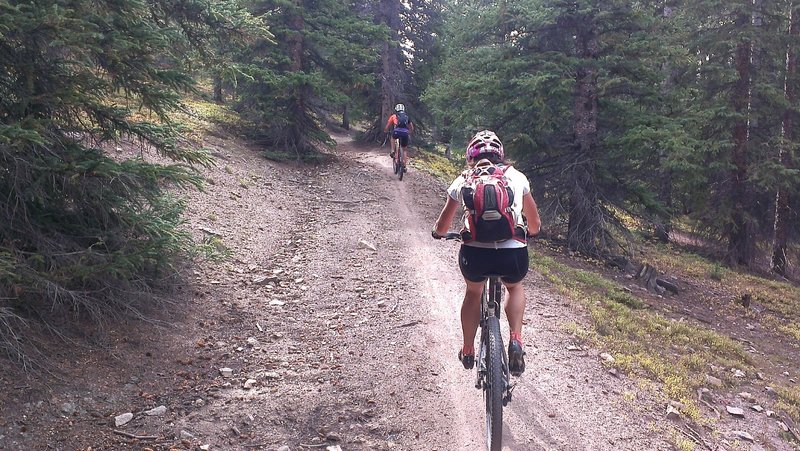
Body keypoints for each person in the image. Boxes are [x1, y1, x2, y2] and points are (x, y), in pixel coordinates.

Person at [432, 130, 541, 376]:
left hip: (475, 255)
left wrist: (439, 233)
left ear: (471, 156)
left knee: (473, 292)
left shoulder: (463, 179)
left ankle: (468, 349)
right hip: (512, 254)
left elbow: (441, 226)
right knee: (514, 288)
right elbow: (534, 224)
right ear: (500, 155)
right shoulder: (517, 177)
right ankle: (515, 339)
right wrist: (531, 232)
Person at [383, 103, 414, 171]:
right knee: (405, 149)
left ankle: (393, 150)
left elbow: (388, 125)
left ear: (396, 110)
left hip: (396, 132)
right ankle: (404, 166)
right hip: (405, 133)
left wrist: (385, 130)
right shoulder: (407, 116)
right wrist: (409, 132)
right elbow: (411, 127)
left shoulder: (393, 116)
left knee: (393, 138)